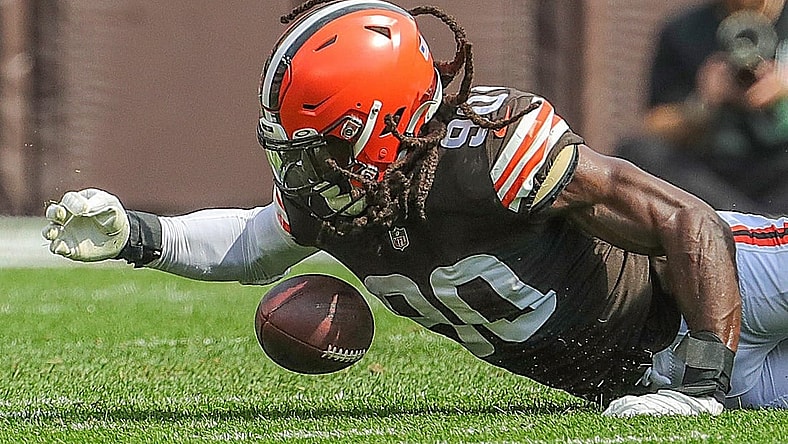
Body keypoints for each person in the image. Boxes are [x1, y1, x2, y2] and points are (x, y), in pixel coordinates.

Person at [42, 0, 788, 415]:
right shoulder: (343, 196)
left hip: (729, 290)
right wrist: (136, 234)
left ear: (389, 117)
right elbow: (249, 244)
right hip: (646, 376)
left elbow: (689, 223)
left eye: (325, 143)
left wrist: (701, 386)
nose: (306, 166)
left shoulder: (491, 150)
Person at [619, 0, 788, 215]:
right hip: (710, 175)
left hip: (779, 169)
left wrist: (782, 87)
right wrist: (704, 102)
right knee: (637, 154)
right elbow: (653, 126)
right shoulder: (683, 30)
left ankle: (740, 228)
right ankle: (756, 229)